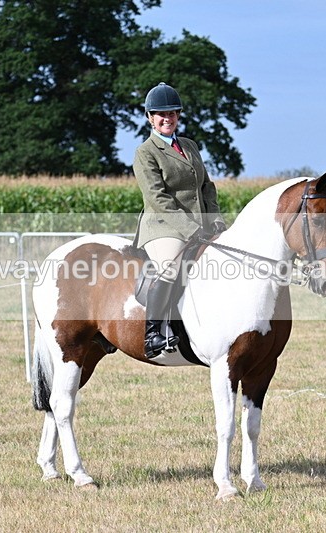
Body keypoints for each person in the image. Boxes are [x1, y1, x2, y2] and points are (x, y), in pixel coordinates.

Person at [133, 82, 227, 358]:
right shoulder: (145, 152)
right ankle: (152, 334)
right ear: (150, 117)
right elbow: (157, 198)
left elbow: (206, 186)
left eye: (172, 114)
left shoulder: (189, 145)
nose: (167, 119)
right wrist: (191, 229)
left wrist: (215, 220)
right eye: (161, 114)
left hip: (199, 225)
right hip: (163, 227)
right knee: (171, 268)